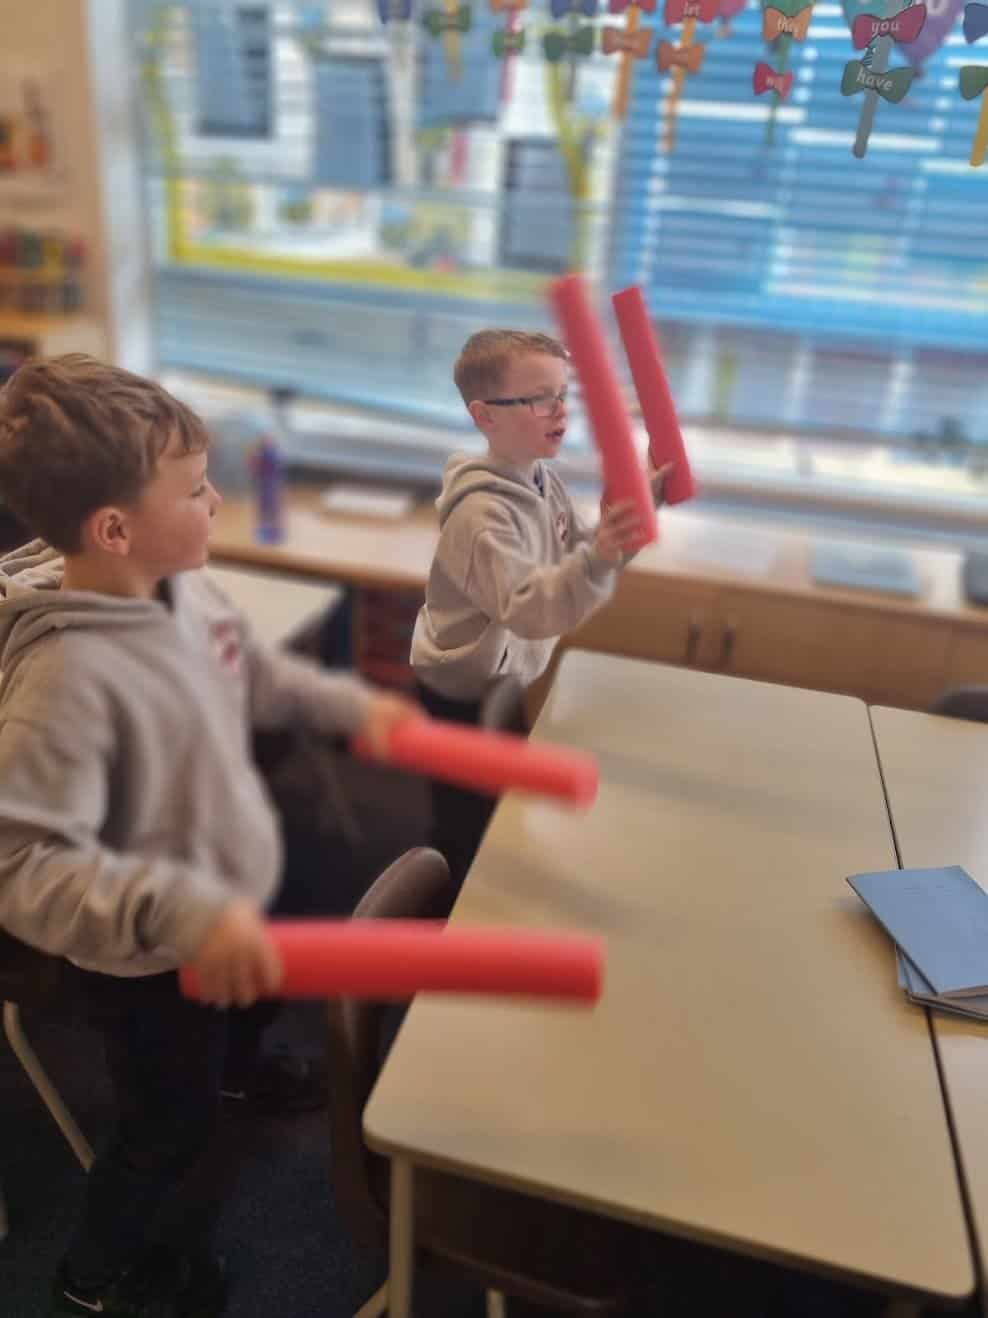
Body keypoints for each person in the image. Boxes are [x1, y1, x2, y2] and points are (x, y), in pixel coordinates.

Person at [0, 354, 412, 1318]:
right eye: (194, 490)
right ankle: (95, 1276)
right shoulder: (62, 684)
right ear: (115, 527)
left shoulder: (155, 585)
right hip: (146, 952)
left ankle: (240, 1068)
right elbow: (18, 866)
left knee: (249, 997)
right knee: (164, 1125)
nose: (217, 501)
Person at [411, 328, 667, 887]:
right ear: (485, 417)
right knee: (467, 823)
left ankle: (487, 885)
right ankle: (455, 919)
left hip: (504, 674)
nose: (560, 410)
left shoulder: (540, 478)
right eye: (538, 398)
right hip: (461, 687)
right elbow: (529, 608)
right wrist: (596, 558)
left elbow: (574, 557)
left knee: (504, 804)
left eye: (563, 393)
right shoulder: (481, 518)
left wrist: (629, 521)